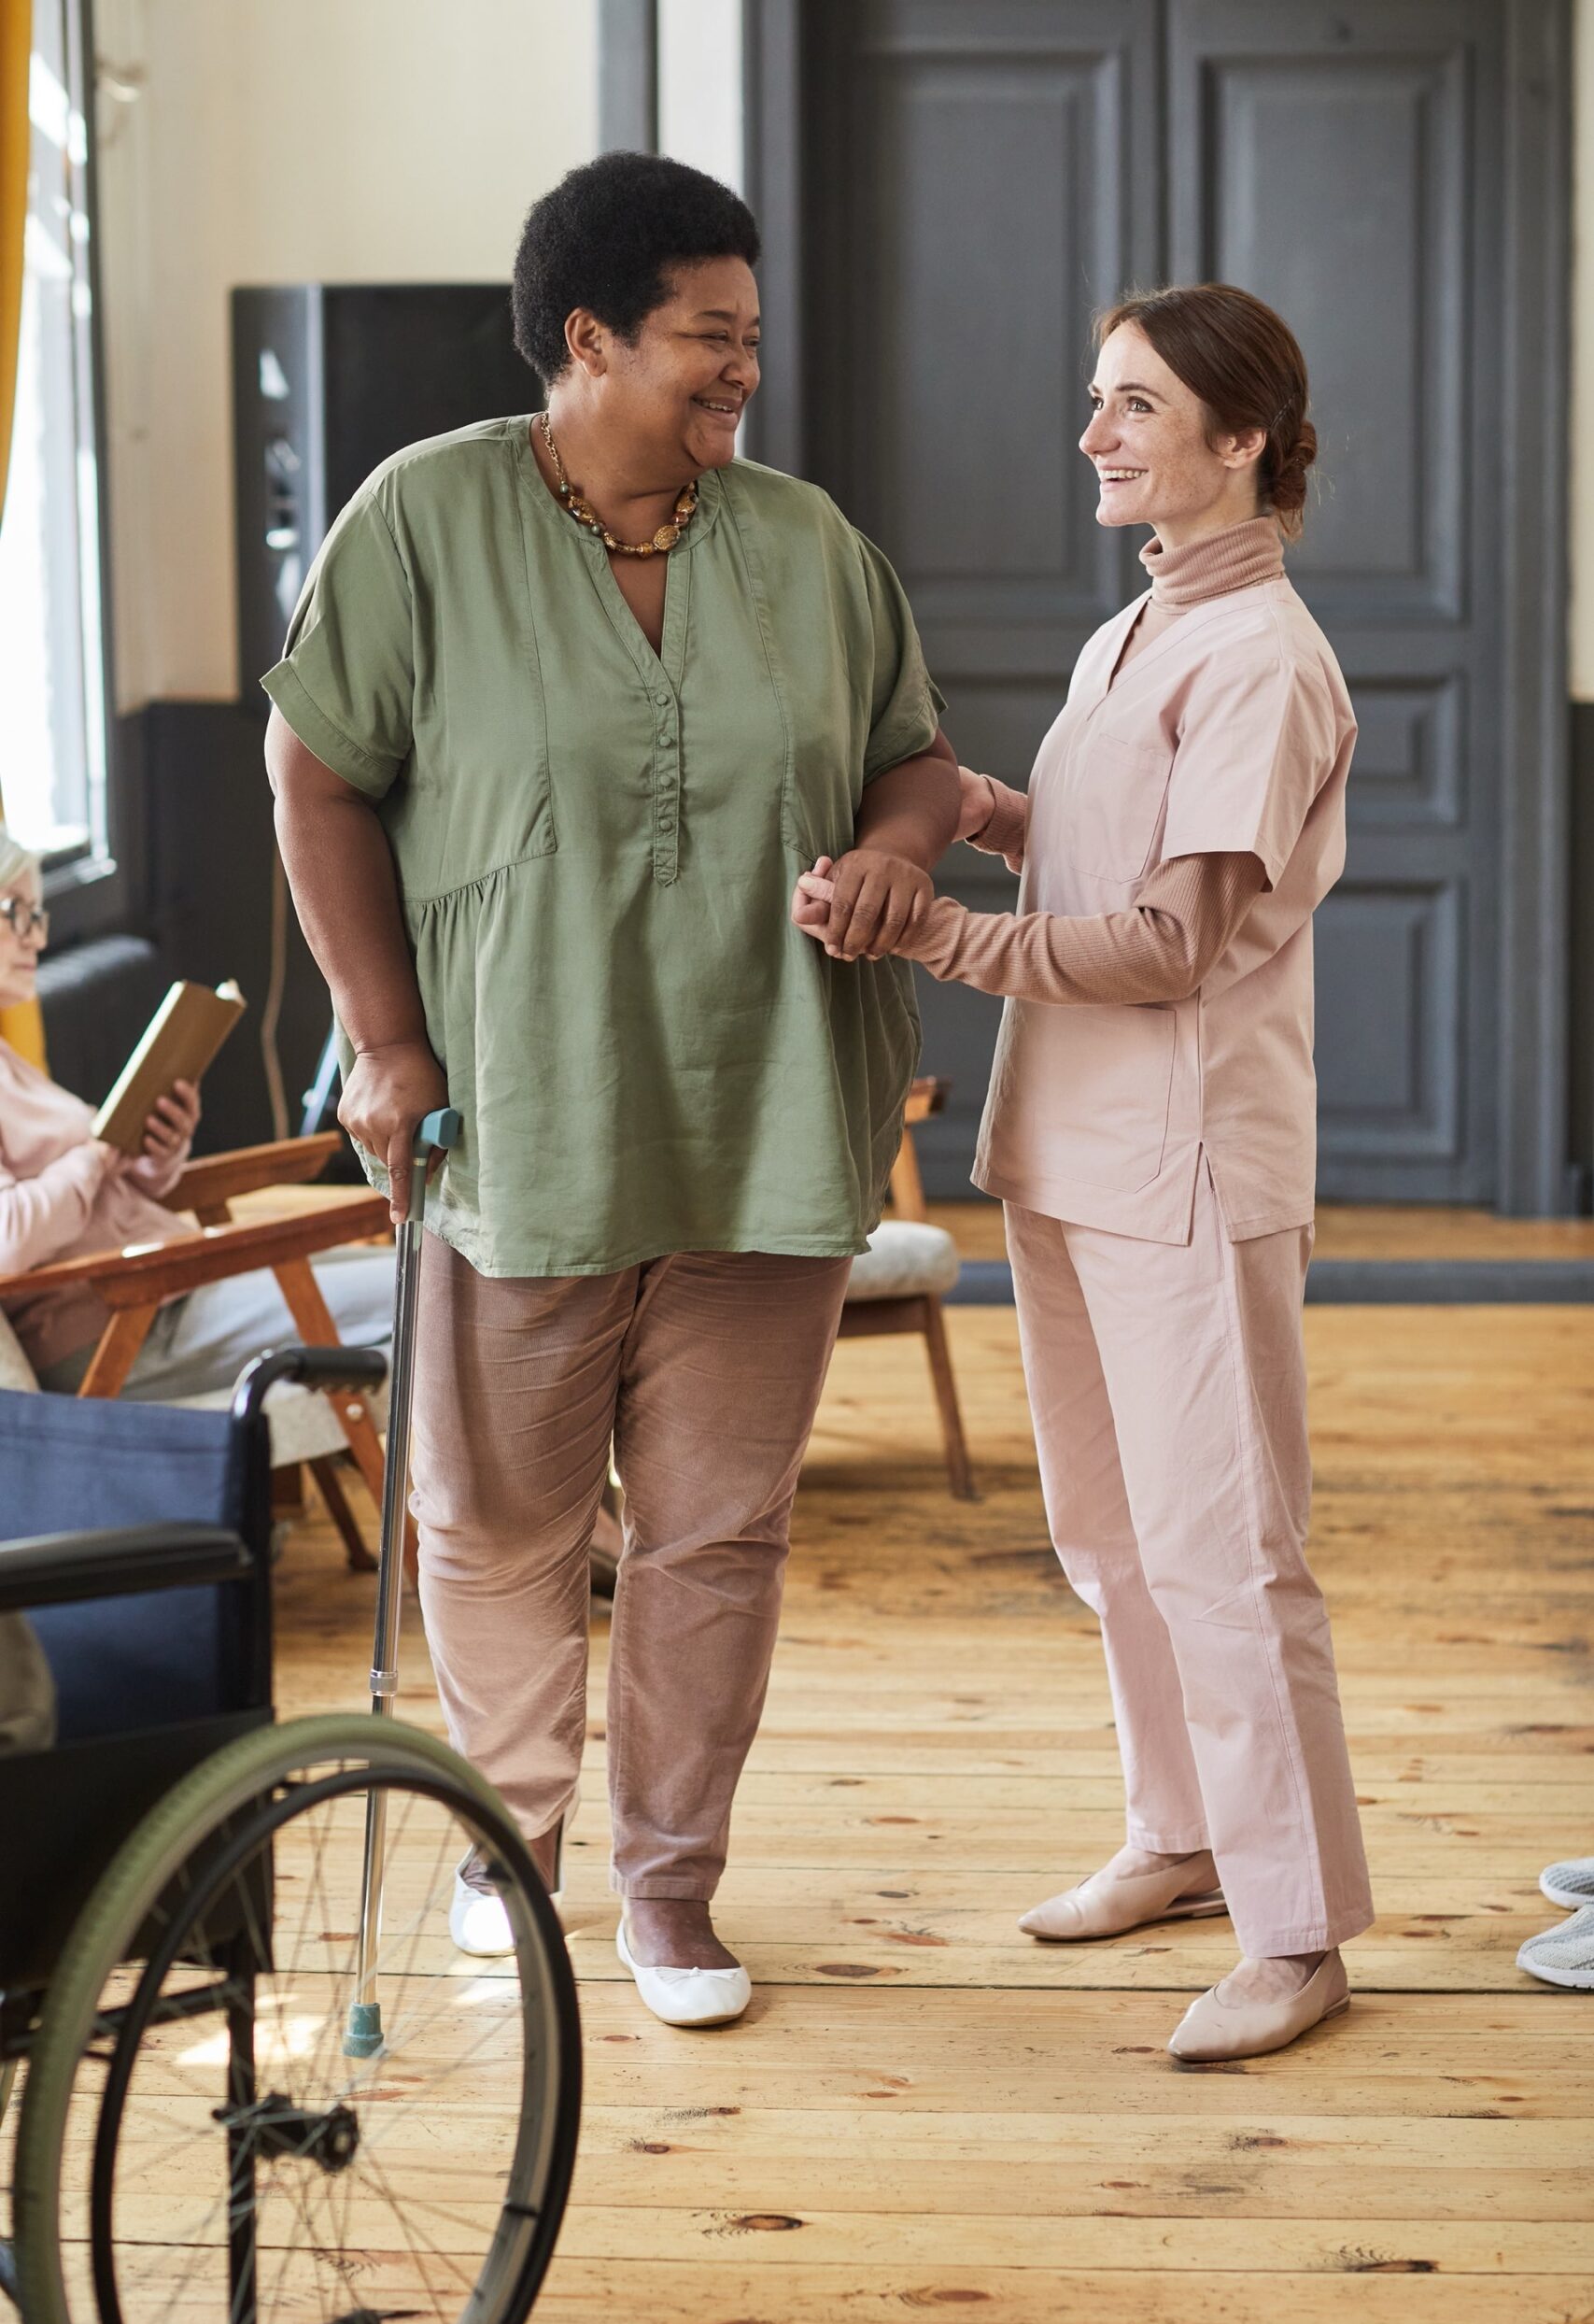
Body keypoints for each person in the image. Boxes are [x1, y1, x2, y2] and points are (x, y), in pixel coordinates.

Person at [262, 152, 960, 2028]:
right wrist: (387, 1038)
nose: (741, 371)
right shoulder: (423, 520)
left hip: (765, 1101)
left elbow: (916, 762)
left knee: (716, 1527)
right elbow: (315, 774)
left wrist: (898, 854)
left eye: (748, 338)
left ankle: (669, 1884)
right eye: (704, 339)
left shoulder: (807, 547)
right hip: (519, 1107)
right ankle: (510, 1845)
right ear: (587, 340)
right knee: (495, 1516)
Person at [796, 284, 1375, 2062]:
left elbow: (1171, 942)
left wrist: (931, 937)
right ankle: (1182, 1838)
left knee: (1225, 1551)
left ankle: (1298, 1931)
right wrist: (980, 809)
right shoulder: (1136, 634)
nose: (1094, 436)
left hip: (1188, 1161)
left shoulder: (1263, 658)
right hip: (1067, 1148)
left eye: (1131, 407)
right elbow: (1117, 847)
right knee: (1111, 1538)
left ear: (1239, 440)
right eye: (1098, 400)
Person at [0, 824, 394, 1398]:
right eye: (19, 915)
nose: (36, 938)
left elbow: (96, 1200)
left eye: (40, 916)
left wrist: (154, 1152)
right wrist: (99, 1150)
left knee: (426, 1280)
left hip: (167, 1287)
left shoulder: (9, 1061)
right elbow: (9, 1240)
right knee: (422, 1296)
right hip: (123, 1330)